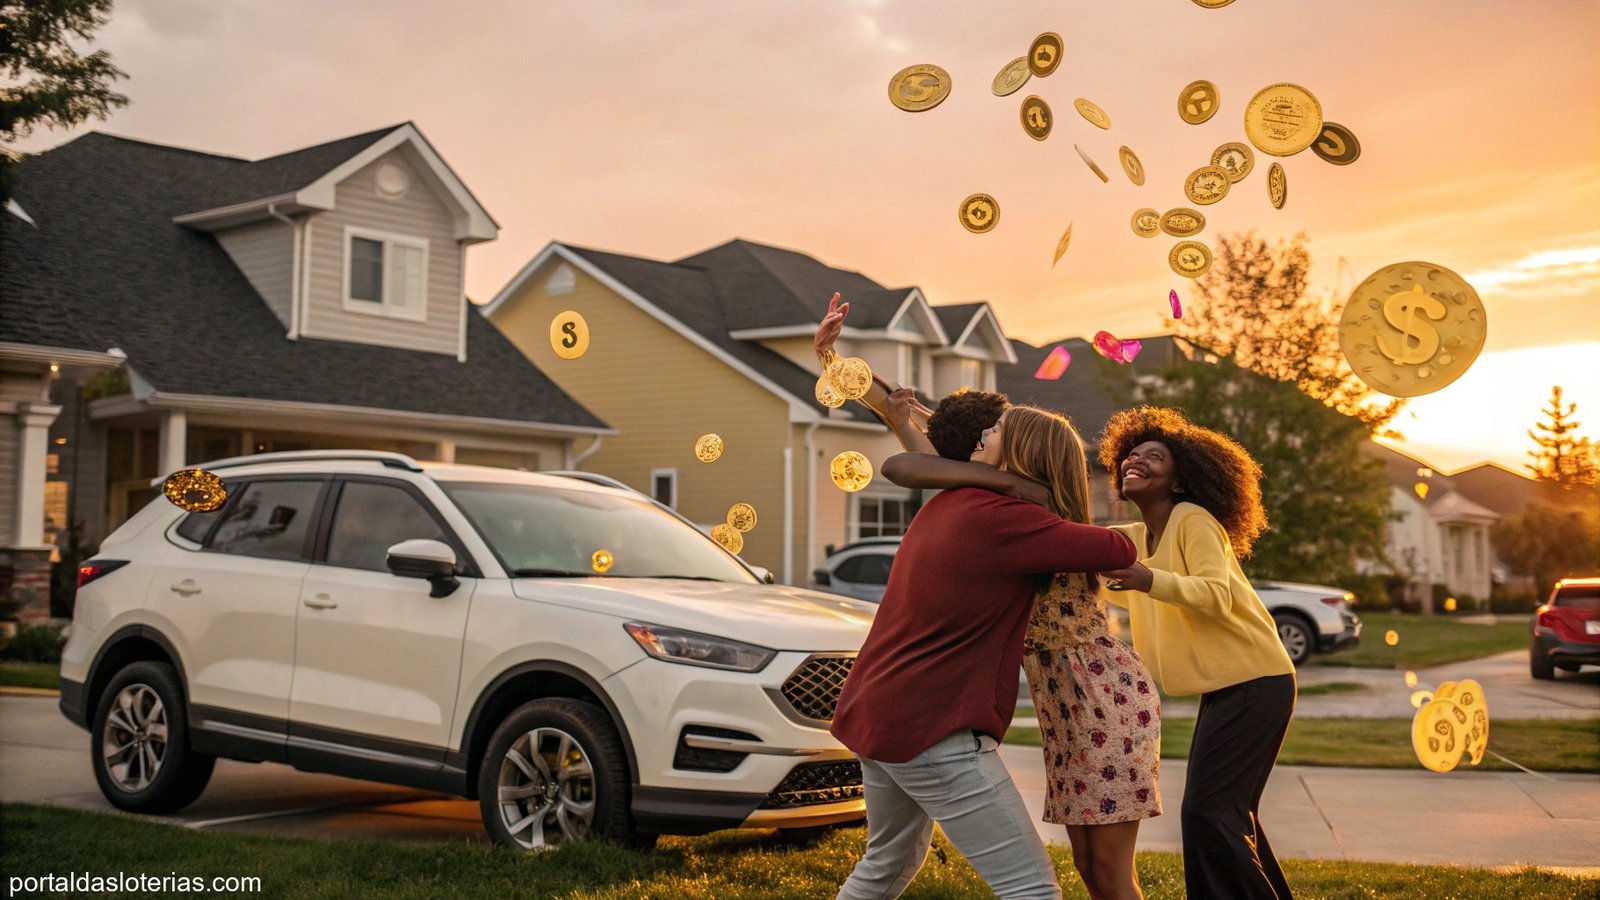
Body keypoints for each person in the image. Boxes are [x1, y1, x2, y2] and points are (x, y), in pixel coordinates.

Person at [832, 400, 1137, 900]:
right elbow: (1117, 551)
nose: (980, 437)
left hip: (877, 710)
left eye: (994, 431)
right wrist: (1025, 489)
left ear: (1019, 451)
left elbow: (914, 464)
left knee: (885, 866)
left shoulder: (953, 503)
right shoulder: (1005, 519)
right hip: (931, 727)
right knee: (1032, 890)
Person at [1096, 406, 1297, 900]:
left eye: (1154, 457)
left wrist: (1148, 579)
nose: (1135, 461)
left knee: (1209, 813)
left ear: (1180, 481)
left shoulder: (1193, 519)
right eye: (1131, 455)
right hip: (1231, 688)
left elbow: (1215, 593)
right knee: (1228, 814)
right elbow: (1110, 571)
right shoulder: (1140, 538)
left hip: (1256, 681)